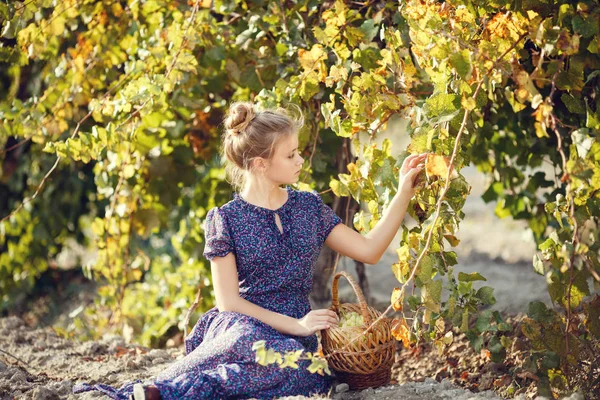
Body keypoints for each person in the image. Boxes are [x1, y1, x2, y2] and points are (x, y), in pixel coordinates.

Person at [73, 102, 426, 399]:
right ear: (260, 164)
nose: (301, 160)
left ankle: (161, 394)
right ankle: (162, 388)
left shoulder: (309, 207)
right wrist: (299, 324)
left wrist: (403, 193)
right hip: (241, 323)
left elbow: (370, 250)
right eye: (291, 155)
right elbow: (229, 302)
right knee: (250, 342)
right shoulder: (225, 219)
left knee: (300, 370)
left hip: (292, 337)